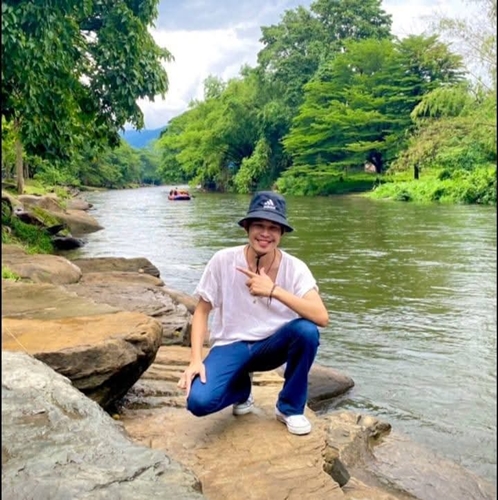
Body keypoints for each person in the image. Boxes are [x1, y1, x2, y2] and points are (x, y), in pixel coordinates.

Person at [177, 191, 329, 435]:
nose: (265, 233)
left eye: (273, 227)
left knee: (306, 331)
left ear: (281, 233)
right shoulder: (223, 260)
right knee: (198, 402)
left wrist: (273, 290)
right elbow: (202, 311)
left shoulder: (295, 268)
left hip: (273, 345)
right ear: (247, 227)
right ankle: (241, 390)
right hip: (231, 344)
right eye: (259, 225)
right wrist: (195, 360)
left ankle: (289, 408)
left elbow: (321, 316)